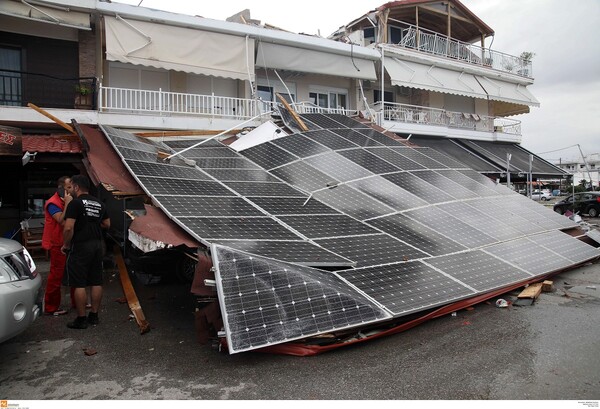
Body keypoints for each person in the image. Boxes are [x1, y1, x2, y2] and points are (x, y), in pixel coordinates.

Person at [61, 175, 110, 329]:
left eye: (71, 187)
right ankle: (94, 316)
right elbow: (107, 224)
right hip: (97, 244)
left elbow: (68, 227)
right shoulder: (99, 203)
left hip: (81, 245)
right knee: (96, 281)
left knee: (79, 283)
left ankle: (81, 319)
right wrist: (93, 225)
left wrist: (66, 244)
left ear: (76, 187)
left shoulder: (75, 203)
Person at [41, 176, 72, 315]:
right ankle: (51, 307)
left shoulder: (65, 200)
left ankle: (77, 302)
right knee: (56, 275)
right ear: (61, 189)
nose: (71, 190)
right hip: (57, 243)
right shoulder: (53, 203)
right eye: (69, 187)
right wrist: (67, 204)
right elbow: (60, 219)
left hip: (68, 241)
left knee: (73, 272)